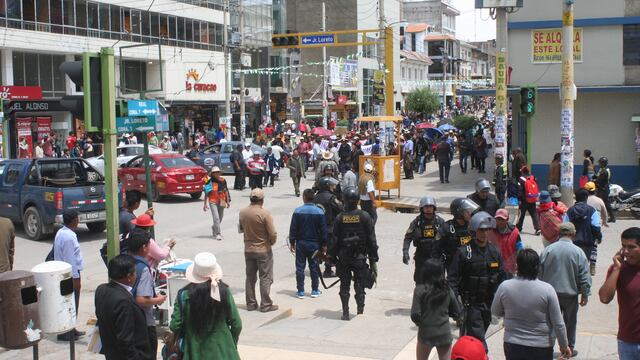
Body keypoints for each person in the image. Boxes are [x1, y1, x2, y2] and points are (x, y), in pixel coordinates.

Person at [491, 249, 572, 360]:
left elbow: (495, 311)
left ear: (517, 266)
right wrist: (564, 345)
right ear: (537, 267)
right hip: (541, 347)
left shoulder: (505, 287)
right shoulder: (547, 290)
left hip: (513, 344)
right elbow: (558, 323)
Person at [447, 211, 505, 349]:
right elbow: (452, 280)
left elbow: (502, 276)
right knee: (479, 342)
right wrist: (456, 305)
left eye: (487, 230)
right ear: (474, 230)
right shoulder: (463, 252)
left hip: (488, 305)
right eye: (481, 230)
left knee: (474, 340)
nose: (484, 233)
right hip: (470, 305)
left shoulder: (494, 252)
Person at [170, 252, 242, 359]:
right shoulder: (224, 292)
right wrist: (232, 342)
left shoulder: (184, 295)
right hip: (224, 351)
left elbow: (175, 326)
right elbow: (237, 324)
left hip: (195, 352)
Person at [539, 222, 591, 357]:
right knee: (570, 323)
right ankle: (568, 349)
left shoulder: (548, 250)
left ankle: (547, 348)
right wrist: (585, 294)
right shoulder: (578, 252)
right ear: (573, 234)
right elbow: (584, 276)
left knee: (550, 323)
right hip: (570, 296)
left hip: (550, 295)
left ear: (559, 234)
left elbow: (539, 272)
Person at [329, 187, 379, 320]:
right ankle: (360, 311)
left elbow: (335, 240)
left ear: (344, 200)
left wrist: (331, 256)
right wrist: (374, 254)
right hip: (360, 257)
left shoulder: (340, 218)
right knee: (359, 284)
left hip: (344, 257)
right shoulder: (365, 216)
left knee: (344, 285)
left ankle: (345, 313)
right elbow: (371, 238)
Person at [95, 255, 153, 360]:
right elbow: (125, 340)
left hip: (111, 353)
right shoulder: (124, 302)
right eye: (135, 272)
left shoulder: (101, 290)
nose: (136, 275)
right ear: (129, 276)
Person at [598, 227, 640, 360]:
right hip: (627, 342)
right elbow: (604, 298)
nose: (626, 251)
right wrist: (617, 268)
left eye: (631, 247)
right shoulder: (618, 269)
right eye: (623, 246)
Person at [238, 188, 279, 312]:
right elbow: (273, 234)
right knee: (265, 278)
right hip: (263, 250)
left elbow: (241, 229)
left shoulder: (242, 212)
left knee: (250, 277)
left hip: (248, 249)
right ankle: (265, 304)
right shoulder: (265, 214)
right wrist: (271, 242)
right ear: (262, 200)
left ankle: (251, 303)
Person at [411, 259, 460, 360]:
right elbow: (457, 312)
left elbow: (415, 314)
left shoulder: (419, 290)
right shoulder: (447, 290)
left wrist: (423, 323)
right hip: (444, 334)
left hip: (426, 333)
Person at [128, 229, 167, 355]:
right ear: (144, 247)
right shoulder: (143, 268)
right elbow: (142, 300)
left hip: (128, 319)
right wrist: (159, 300)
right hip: (143, 322)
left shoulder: (124, 261)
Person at [290, 189, 327, 298]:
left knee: (300, 267)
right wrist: (324, 245)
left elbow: (293, 228)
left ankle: (300, 291)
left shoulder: (297, 211)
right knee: (314, 267)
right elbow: (323, 230)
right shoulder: (320, 212)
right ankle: (315, 290)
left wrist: (292, 242)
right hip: (315, 244)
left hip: (301, 243)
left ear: (304, 197)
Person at [53, 209, 85, 341]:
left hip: (66, 274)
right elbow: (70, 259)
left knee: (71, 303)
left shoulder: (63, 232)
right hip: (68, 276)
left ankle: (72, 328)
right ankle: (66, 332)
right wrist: (76, 279)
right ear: (74, 221)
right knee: (70, 303)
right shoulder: (68, 237)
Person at [402, 196, 446, 282]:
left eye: (430, 207)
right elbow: (407, 238)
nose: (428, 209)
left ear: (434, 208)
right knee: (420, 282)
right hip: (421, 257)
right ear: (422, 208)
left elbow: (447, 238)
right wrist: (405, 252)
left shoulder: (439, 221)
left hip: (436, 257)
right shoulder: (417, 222)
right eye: (426, 207)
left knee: (439, 282)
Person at [564, 188, 602, 276]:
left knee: (573, 266)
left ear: (575, 198)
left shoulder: (570, 211)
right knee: (583, 266)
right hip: (587, 243)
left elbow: (564, 226)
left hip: (572, 243)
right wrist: (599, 237)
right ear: (586, 197)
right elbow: (596, 226)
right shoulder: (591, 210)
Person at [313, 178, 343, 278]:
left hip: (317, 228)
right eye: (331, 185)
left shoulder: (315, 197)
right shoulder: (331, 197)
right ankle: (328, 270)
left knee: (318, 248)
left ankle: (315, 269)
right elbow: (340, 208)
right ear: (326, 186)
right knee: (331, 249)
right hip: (330, 227)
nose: (333, 187)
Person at [442, 198, 480, 270]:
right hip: (453, 266)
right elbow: (436, 249)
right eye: (467, 211)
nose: (470, 213)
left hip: (470, 265)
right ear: (459, 213)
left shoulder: (474, 226)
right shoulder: (446, 227)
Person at [491, 209, 523, 278]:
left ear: (507, 219)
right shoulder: (491, 231)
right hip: (494, 267)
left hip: (510, 268)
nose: (499, 222)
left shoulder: (515, 232)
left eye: (502, 219)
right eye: (497, 219)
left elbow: (520, 249)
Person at [203, 166, 231, 240]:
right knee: (216, 218)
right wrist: (205, 204)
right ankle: (218, 233)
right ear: (212, 174)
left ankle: (214, 227)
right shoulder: (209, 182)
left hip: (221, 201)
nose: (217, 174)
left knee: (220, 217)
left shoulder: (223, 180)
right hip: (213, 201)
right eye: (215, 173)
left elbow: (226, 191)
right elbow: (206, 193)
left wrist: (228, 201)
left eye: (218, 172)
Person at [516, 166, 541, 235]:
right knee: (534, 214)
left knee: (521, 214)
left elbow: (519, 190)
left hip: (524, 200)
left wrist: (519, 199)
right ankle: (538, 228)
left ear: (522, 171)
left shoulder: (521, 179)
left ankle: (518, 228)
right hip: (532, 199)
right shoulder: (533, 177)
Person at [594, 156, 615, 223]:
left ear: (603, 163)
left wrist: (594, 181)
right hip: (603, 189)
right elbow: (598, 177)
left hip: (603, 189)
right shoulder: (603, 170)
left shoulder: (604, 171)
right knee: (606, 204)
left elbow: (599, 180)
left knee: (602, 203)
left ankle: (608, 217)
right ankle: (611, 217)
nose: (599, 164)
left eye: (600, 163)